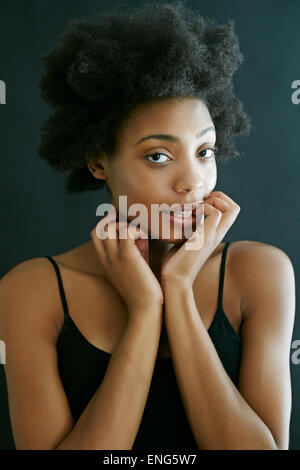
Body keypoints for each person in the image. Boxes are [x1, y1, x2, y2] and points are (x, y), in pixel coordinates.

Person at [0, 1, 295, 450]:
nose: (192, 183)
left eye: (204, 151)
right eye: (158, 156)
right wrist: (144, 311)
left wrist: (177, 287)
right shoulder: (30, 291)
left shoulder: (260, 273)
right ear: (98, 161)